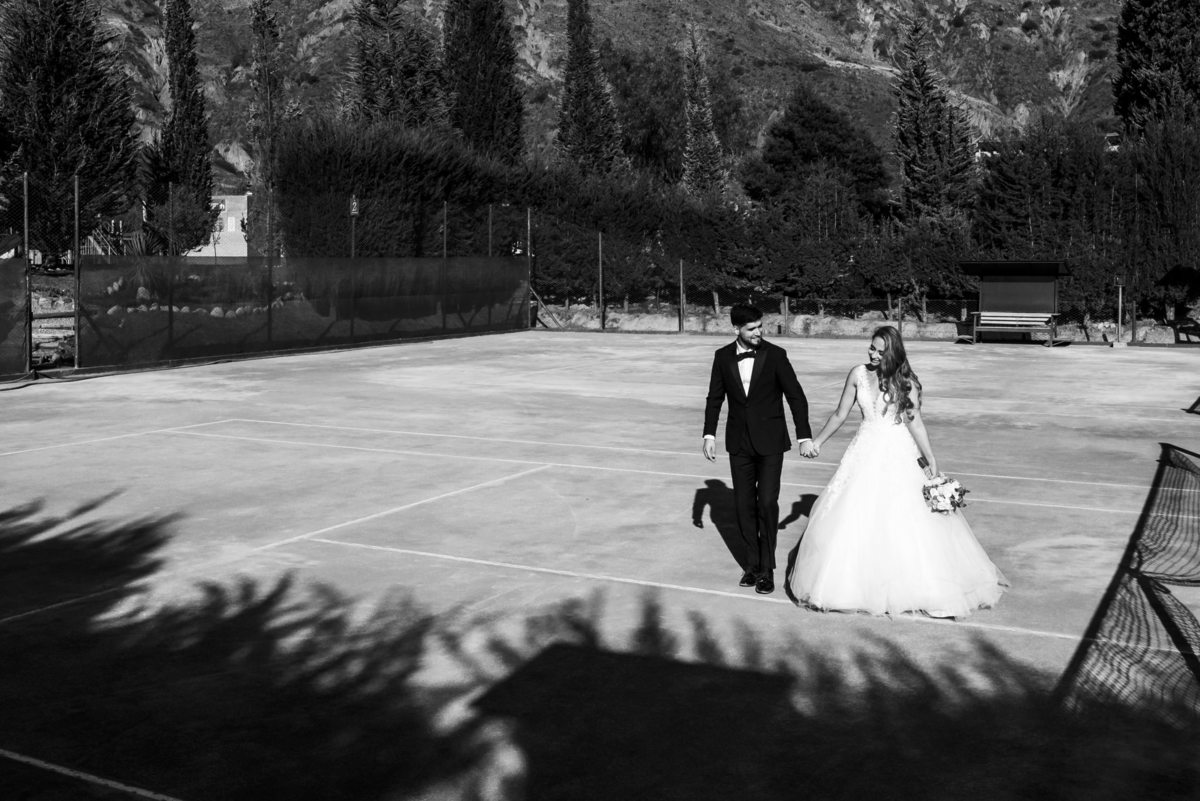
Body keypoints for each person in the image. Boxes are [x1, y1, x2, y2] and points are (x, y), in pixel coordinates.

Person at [788, 325, 1007, 617]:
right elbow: (841, 413)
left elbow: (915, 422)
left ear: (893, 352)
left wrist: (931, 458)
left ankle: (915, 585)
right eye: (871, 348)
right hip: (864, 450)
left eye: (880, 350)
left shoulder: (907, 383)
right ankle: (852, 585)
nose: (873, 354)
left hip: (898, 450)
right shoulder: (857, 374)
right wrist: (817, 442)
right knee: (856, 512)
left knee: (904, 515)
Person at [703, 304, 815, 595]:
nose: (758, 332)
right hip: (739, 442)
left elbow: (796, 397)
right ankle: (751, 566)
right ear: (735, 330)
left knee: (766, 503)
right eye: (751, 328)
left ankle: (767, 570)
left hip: (770, 442)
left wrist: (803, 435)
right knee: (743, 506)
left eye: (759, 326)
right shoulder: (722, 357)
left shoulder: (776, 355)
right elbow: (714, 398)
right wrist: (708, 434)